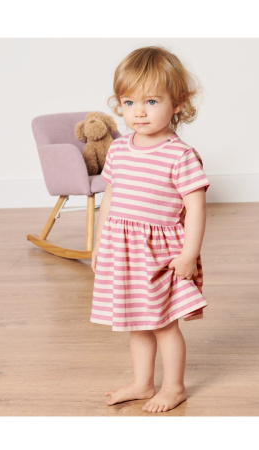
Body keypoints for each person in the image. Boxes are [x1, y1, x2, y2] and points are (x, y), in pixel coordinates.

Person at [90, 46, 210, 413]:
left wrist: (189, 254)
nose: (138, 112)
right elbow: (110, 197)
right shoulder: (119, 149)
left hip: (159, 256)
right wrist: (99, 244)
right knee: (136, 321)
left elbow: (196, 207)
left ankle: (174, 387)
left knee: (164, 324)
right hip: (123, 250)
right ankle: (143, 382)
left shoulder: (180, 155)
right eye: (129, 102)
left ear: (178, 104)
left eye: (151, 101)